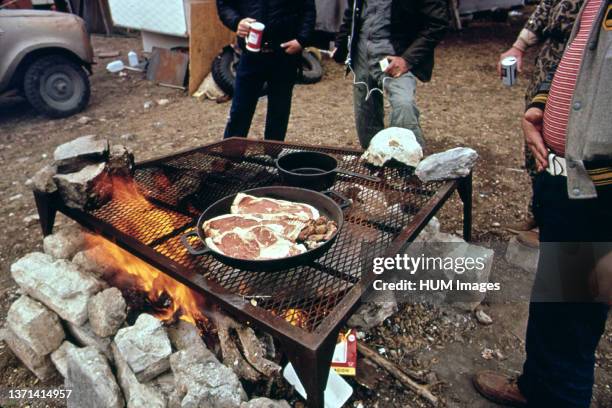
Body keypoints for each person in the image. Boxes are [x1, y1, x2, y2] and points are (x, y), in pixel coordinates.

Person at [474, 0, 611, 406]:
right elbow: (580, 60)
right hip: (565, 181)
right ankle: (536, 387)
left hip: (599, 196)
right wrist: (541, 106)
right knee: (554, 300)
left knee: (573, 320)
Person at [497, 0, 584, 247]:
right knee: (535, 150)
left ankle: (556, 225)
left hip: (582, 77)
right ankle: (540, 213)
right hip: (549, 68)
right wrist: (518, 47)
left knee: (567, 151)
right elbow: (544, 11)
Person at [333, 0, 448, 148]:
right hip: (362, 54)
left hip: (395, 55)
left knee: (403, 106)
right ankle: (372, 160)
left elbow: (437, 23)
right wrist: (341, 45)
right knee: (366, 113)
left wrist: (407, 59)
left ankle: (408, 162)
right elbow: (353, 12)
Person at [217, 0, 316, 141]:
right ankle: (230, 157)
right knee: (240, 110)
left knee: (279, 110)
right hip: (251, 53)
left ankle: (273, 156)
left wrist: (302, 40)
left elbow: (308, 9)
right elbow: (225, 5)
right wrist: (237, 22)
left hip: (285, 53)